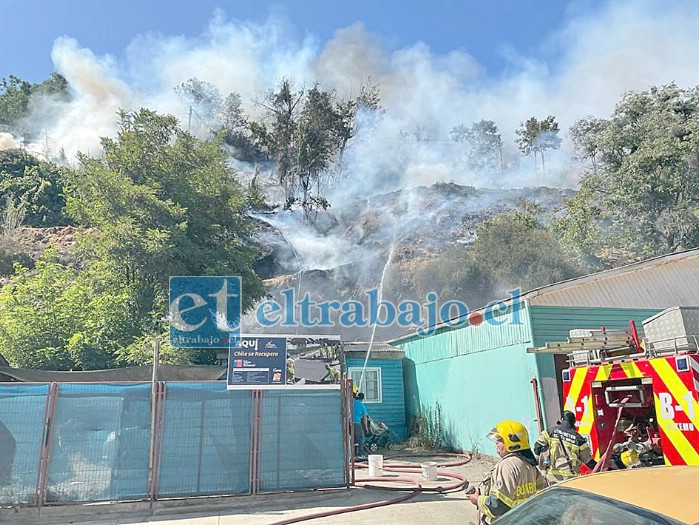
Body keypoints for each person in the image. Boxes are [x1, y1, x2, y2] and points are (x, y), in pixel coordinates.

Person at [468, 420, 547, 523]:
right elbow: (543, 494)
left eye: (499, 440)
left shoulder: (506, 465)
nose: (496, 443)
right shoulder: (530, 465)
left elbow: (498, 506)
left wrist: (477, 500)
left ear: (511, 442)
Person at [534, 410, 597, 483]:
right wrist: (604, 470)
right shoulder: (578, 439)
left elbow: (537, 446)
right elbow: (589, 461)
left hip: (552, 478)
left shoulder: (550, 432)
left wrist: (536, 462)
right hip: (571, 479)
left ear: (561, 420)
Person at [352, 391, 369, 459]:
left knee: (352, 439)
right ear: (362, 399)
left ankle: (353, 454)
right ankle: (360, 454)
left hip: (348, 423)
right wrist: (366, 428)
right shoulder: (362, 406)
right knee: (361, 438)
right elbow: (365, 418)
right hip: (356, 423)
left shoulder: (352, 402)